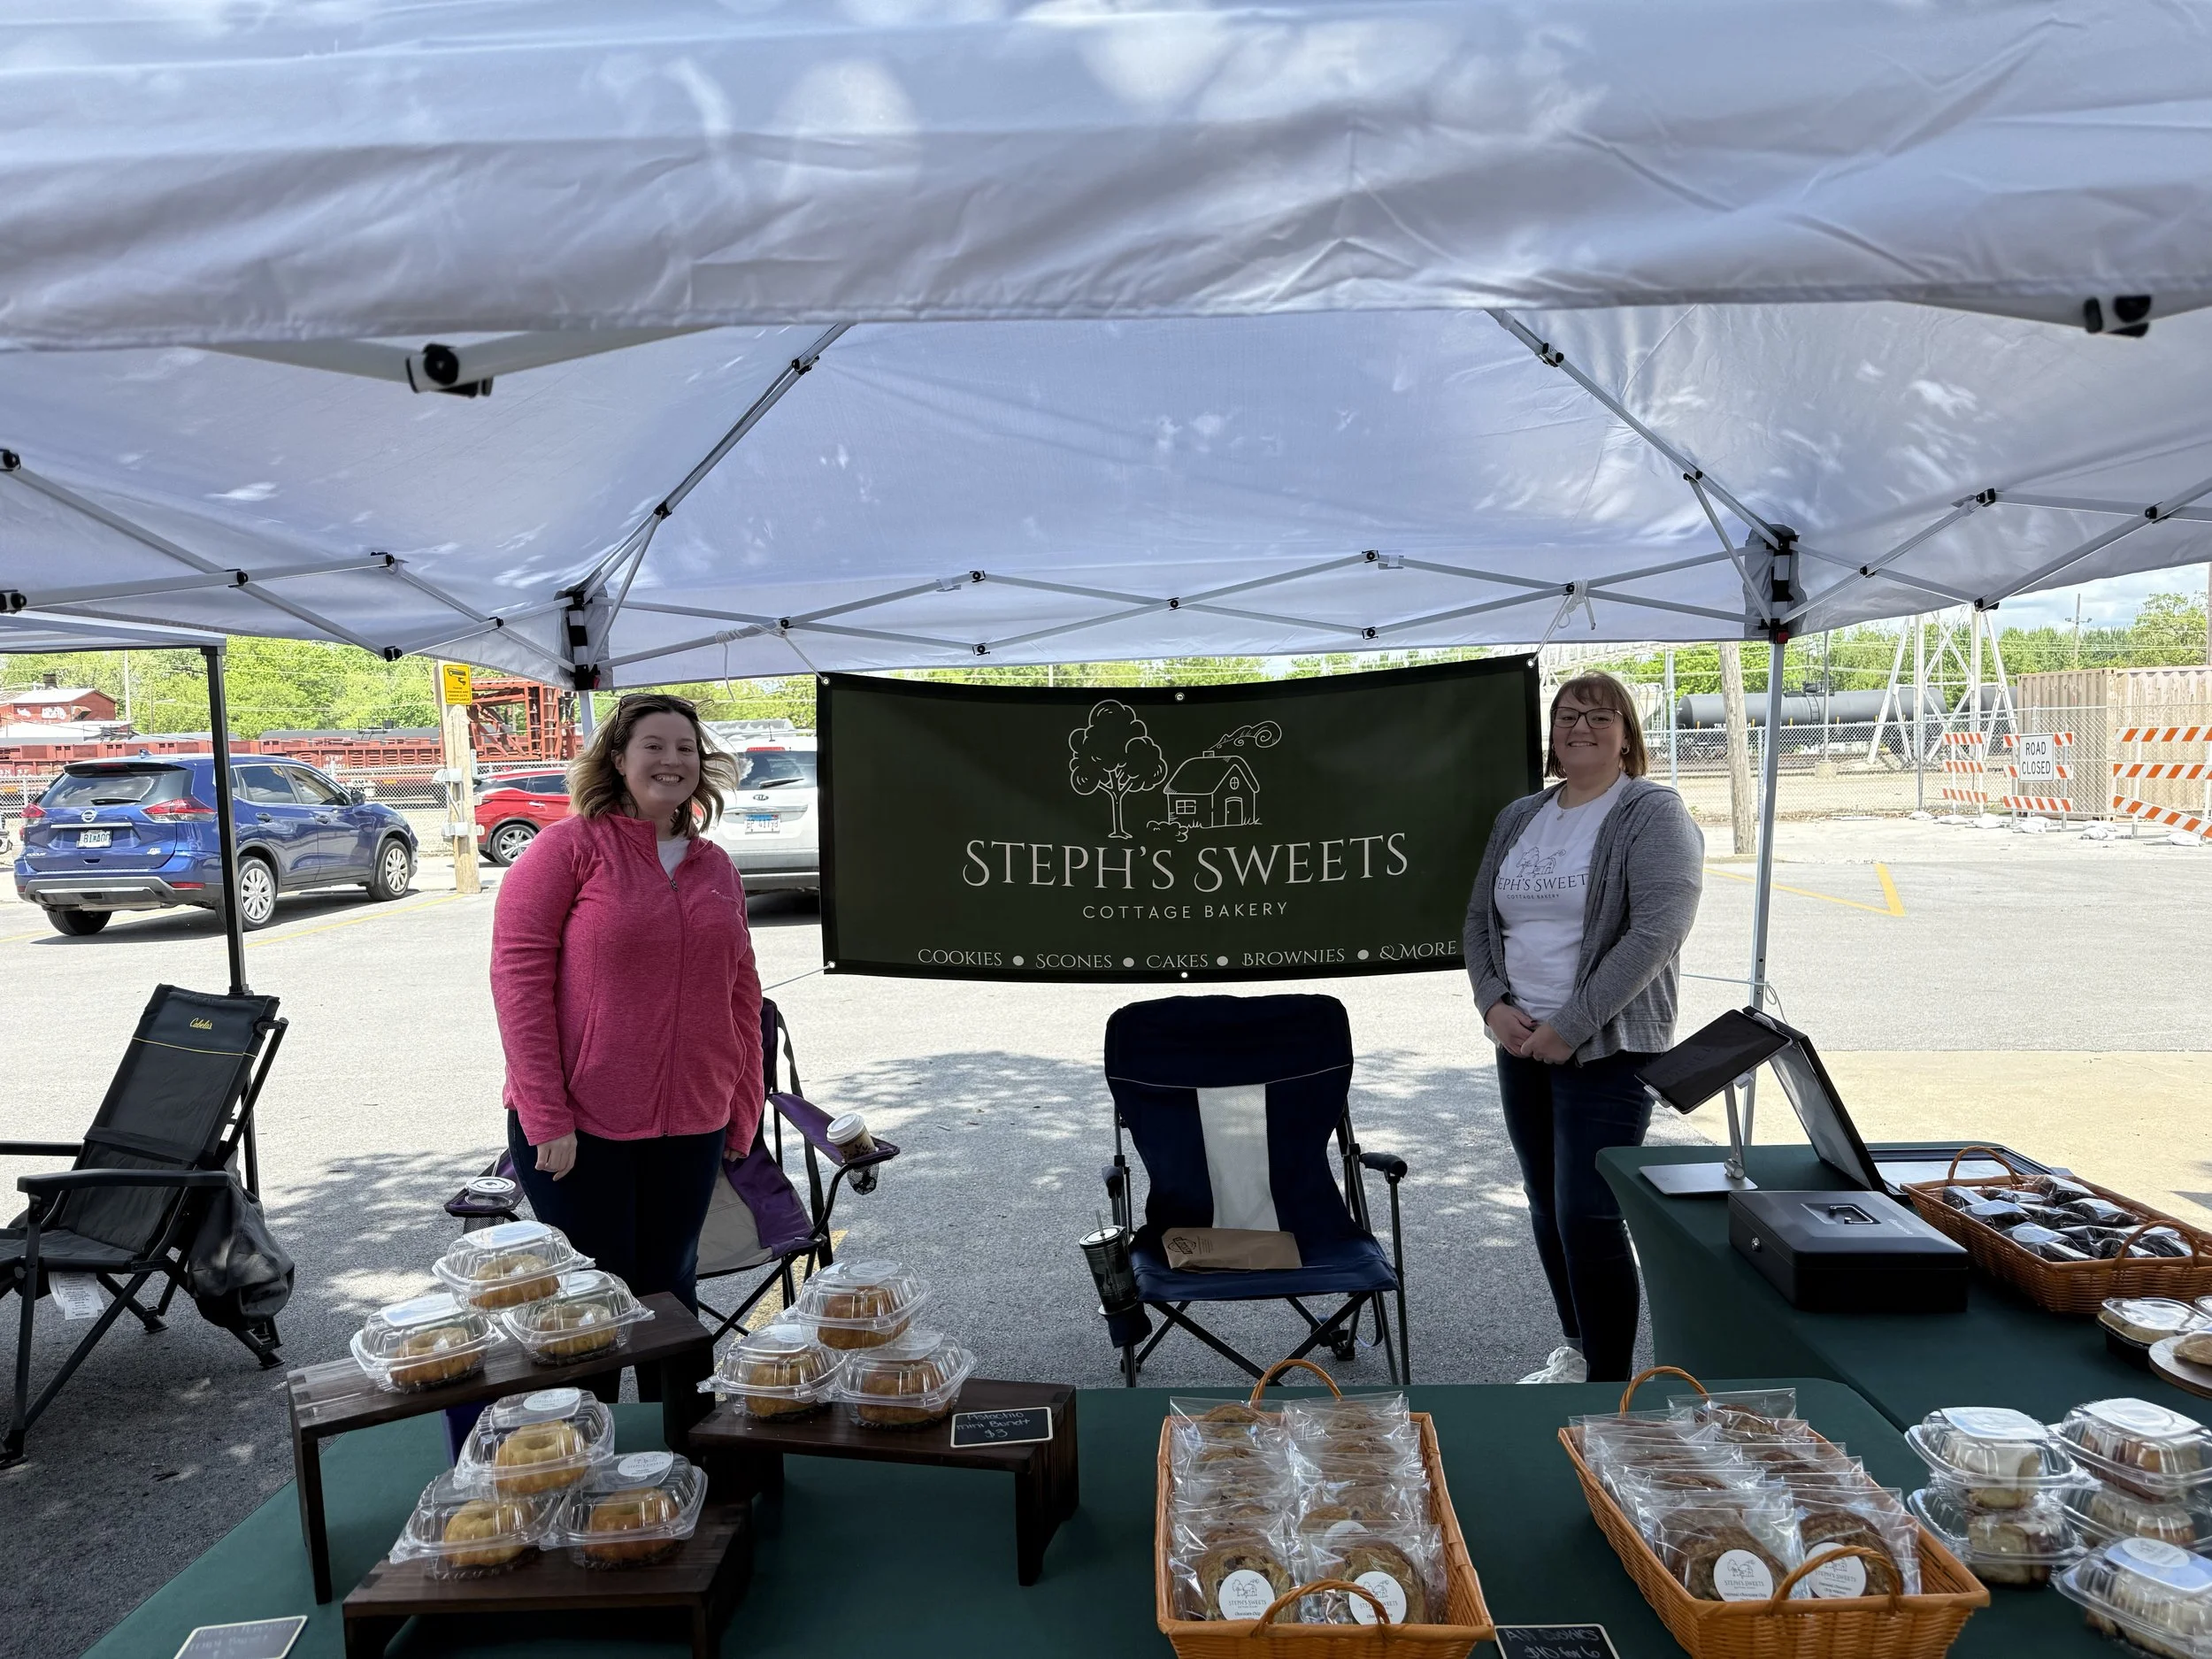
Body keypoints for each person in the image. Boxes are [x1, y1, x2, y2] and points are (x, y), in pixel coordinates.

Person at [490, 692, 762, 1387]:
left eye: (685, 749)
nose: (672, 760)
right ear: (618, 758)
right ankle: (588, 1457)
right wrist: (546, 1113)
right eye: (654, 745)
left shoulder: (715, 867)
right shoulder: (568, 848)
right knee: (593, 1303)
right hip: (580, 1127)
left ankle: (686, 1457)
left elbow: (741, 994)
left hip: (693, 1121)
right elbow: (517, 981)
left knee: (671, 1294)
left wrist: (744, 1106)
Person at [1463, 672, 1702, 1384]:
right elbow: (1479, 919)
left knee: (1588, 1215)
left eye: (1600, 716)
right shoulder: (1520, 816)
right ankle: (1576, 1351)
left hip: (1607, 1047)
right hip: (1520, 1042)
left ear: (1627, 733)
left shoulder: (1652, 812)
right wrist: (1492, 1003)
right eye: (1568, 715)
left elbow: (1659, 929)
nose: (1580, 727)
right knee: (1546, 1203)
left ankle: (1609, 1384)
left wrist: (1570, 1026)